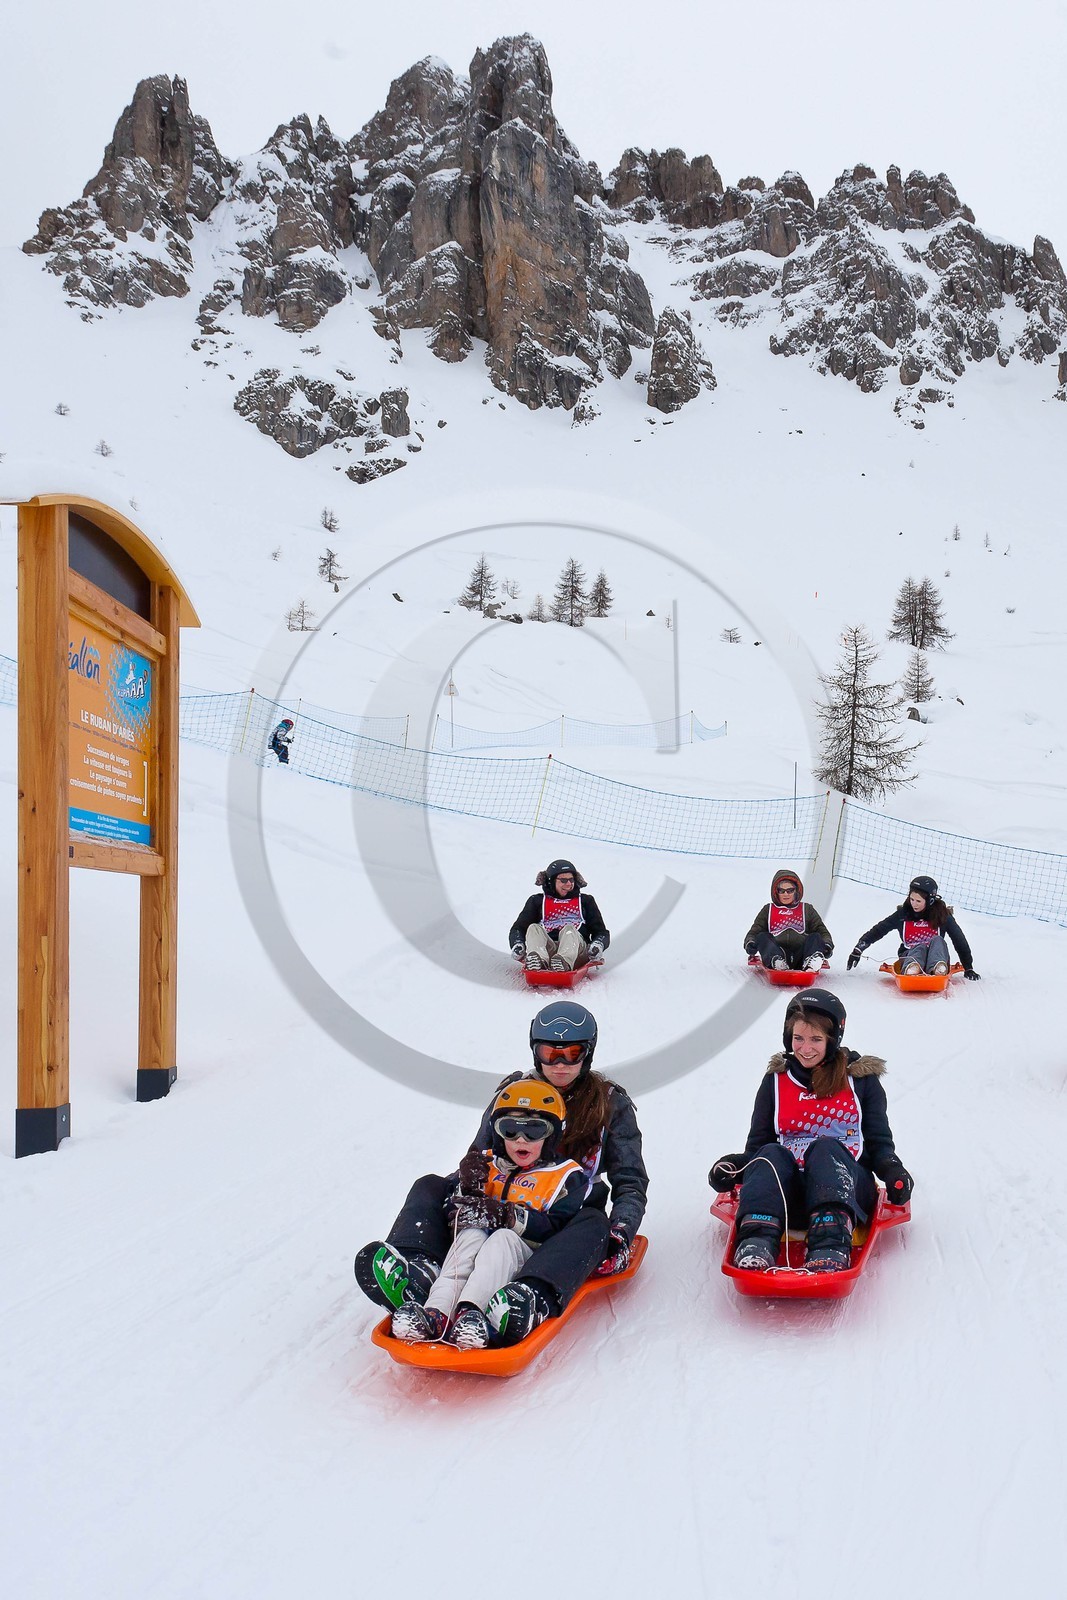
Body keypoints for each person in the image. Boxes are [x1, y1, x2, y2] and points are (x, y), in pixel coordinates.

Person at [355, 1001, 648, 1345]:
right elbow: (483, 1154)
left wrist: (621, 1232)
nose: (561, 1064)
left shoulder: (610, 1103)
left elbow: (631, 1182)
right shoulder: (514, 1095)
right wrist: (466, 1178)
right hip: (502, 1204)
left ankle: (530, 1296)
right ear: (535, 1051)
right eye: (549, 1053)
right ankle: (420, 1271)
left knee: (594, 1223)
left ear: (588, 1054)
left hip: (562, 1218)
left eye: (572, 1053)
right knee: (430, 1186)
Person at [709, 989, 913, 1273]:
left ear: (832, 1040)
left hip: (847, 1189)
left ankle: (830, 1242)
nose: (805, 1049)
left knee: (825, 1147)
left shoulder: (860, 1081)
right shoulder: (776, 1081)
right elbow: (758, 1148)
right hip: (790, 1197)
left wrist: (893, 1170)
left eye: (816, 1039)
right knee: (771, 1154)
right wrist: (733, 1167)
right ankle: (757, 1240)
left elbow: (878, 1142)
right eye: (798, 1038)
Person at [389, 1081, 586, 1349]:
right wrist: (466, 1190)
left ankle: (472, 1313)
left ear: (552, 1136)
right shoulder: (485, 1164)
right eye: (510, 1129)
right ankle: (437, 1313)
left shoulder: (564, 1177)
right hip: (477, 1247)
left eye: (534, 1131)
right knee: (469, 1235)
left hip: (526, 1255)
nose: (520, 1140)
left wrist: (509, 1216)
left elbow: (560, 1230)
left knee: (501, 1239)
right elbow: (450, 1215)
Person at [846, 874, 980, 979]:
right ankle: (913, 968)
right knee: (920, 946)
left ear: (930, 901)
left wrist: (968, 967)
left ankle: (938, 968)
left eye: (918, 901)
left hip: (937, 955)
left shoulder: (942, 915)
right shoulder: (904, 914)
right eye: (912, 899)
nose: (914, 904)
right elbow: (879, 930)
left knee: (938, 940)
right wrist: (858, 949)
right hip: (910, 955)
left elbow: (959, 939)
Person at [508, 859, 610, 971]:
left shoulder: (585, 901)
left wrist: (598, 944)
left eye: (571, 880)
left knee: (569, 930)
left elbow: (601, 932)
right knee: (533, 928)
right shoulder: (537, 901)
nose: (569, 884)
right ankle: (539, 961)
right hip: (549, 949)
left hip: (576, 951)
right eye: (563, 880)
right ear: (552, 882)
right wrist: (517, 944)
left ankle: (564, 962)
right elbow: (518, 928)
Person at [744, 868, 833, 972]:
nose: (786, 894)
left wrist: (827, 944)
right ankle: (777, 962)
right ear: (776, 892)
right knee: (762, 936)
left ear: (796, 891)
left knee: (816, 936)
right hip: (777, 951)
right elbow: (755, 930)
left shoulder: (807, 909)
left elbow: (821, 929)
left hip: (802, 954)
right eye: (781, 891)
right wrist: (750, 942)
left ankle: (812, 962)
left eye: (790, 890)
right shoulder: (768, 910)